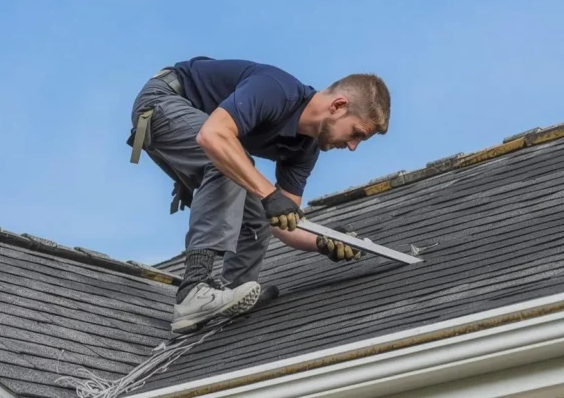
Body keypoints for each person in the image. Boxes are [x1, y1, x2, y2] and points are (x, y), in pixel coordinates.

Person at [127, 56, 391, 334]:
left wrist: (324, 240)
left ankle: (233, 295)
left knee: (258, 207)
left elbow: (283, 219)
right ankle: (193, 291)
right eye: (357, 134)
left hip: (203, 129)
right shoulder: (275, 90)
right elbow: (212, 136)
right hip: (162, 103)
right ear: (338, 106)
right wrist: (269, 195)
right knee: (230, 164)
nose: (352, 147)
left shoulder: (305, 150)